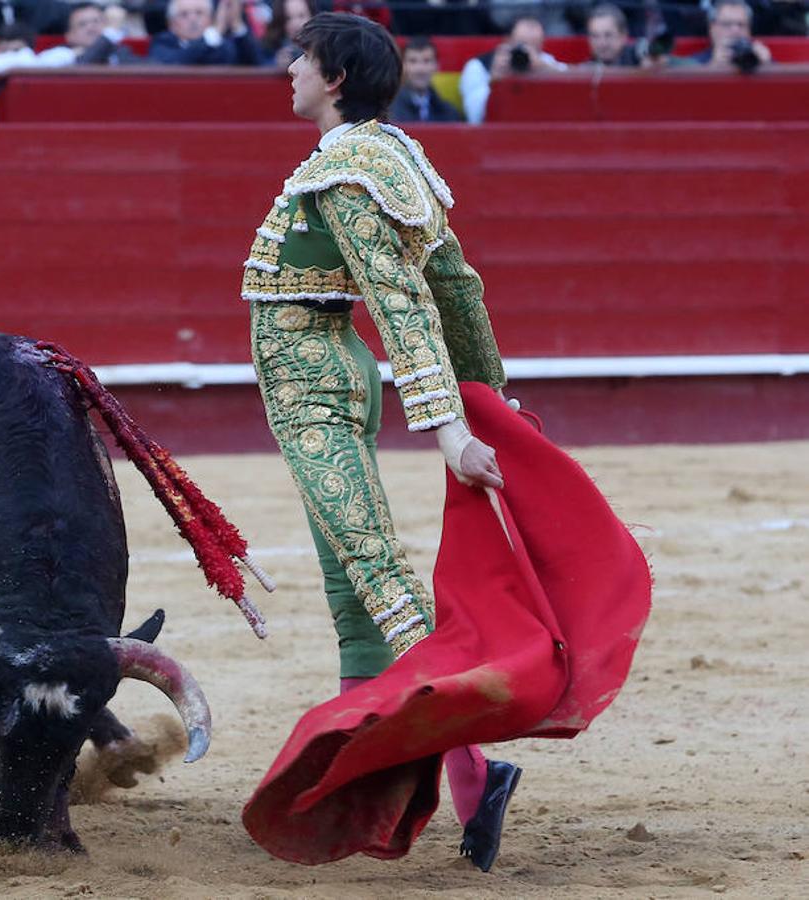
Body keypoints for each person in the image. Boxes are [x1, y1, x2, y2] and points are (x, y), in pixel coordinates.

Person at [242, 11, 521, 872]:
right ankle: (356, 775)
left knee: (376, 575)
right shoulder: (392, 154)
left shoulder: (350, 170)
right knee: (352, 585)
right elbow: (457, 285)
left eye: (302, 59)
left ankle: (478, 772)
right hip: (334, 367)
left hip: (315, 381)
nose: (288, 69)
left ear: (334, 80)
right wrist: (489, 398)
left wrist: (452, 431)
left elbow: (403, 301)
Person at [458, 16, 566, 124]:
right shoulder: (478, 66)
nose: (528, 53)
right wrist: (495, 83)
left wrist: (547, 71)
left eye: (535, 47)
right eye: (522, 45)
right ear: (507, 40)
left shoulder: (544, 61)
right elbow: (475, 118)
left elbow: (574, 83)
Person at [148, 0, 263, 65]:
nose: (192, 19)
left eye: (199, 13)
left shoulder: (224, 44)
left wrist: (236, 24)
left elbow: (255, 64)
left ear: (211, 19)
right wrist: (215, 32)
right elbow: (176, 62)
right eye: (184, 14)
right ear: (171, 23)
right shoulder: (162, 43)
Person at [674, 0, 772, 69]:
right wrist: (712, 67)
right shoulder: (692, 64)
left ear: (749, 30)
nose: (735, 30)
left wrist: (768, 68)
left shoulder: (760, 58)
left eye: (741, 25)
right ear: (712, 29)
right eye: (727, 24)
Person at [35, 2, 139, 66]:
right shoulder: (60, 55)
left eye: (96, 21)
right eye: (82, 24)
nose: (91, 27)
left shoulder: (122, 52)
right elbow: (83, 69)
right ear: (69, 35)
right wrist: (110, 33)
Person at [388, 35, 462, 123]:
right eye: (413, 61)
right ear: (403, 66)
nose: (420, 69)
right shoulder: (389, 111)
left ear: (437, 66)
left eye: (427, 61)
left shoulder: (450, 112)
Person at [260, 0, 314, 68]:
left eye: (301, 16)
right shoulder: (269, 48)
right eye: (288, 18)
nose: (296, 24)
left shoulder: (323, 47)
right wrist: (276, 64)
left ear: (312, 16)